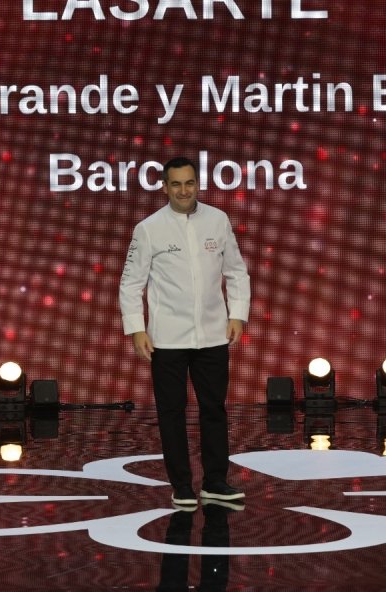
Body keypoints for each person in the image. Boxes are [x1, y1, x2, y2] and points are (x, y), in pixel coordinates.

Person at [119, 156, 251, 508]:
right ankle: (182, 486)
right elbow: (131, 283)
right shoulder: (149, 228)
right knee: (171, 413)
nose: (183, 190)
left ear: (197, 184)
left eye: (189, 183)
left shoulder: (218, 220)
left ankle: (215, 482)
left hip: (212, 335)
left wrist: (237, 315)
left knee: (214, 410)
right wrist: (136, 329)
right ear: (164, 187)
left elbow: (236, 272)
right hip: (167, 339)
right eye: (175, 184)